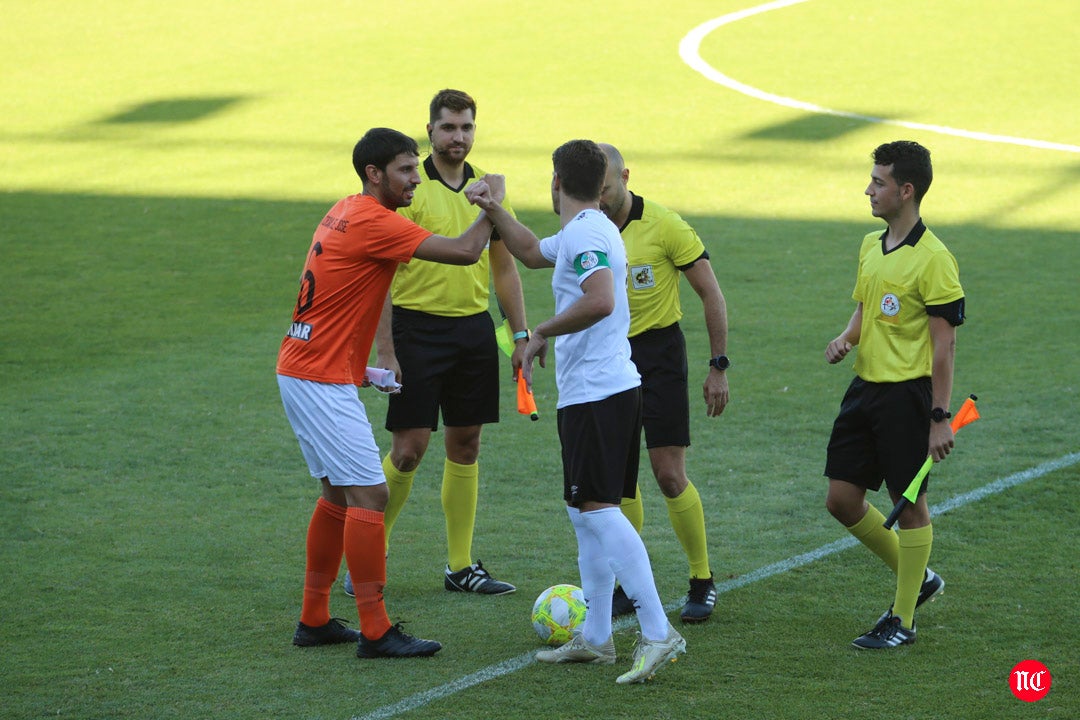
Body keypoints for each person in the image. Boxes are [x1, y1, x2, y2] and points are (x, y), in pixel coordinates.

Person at [277, 127, 506, 659]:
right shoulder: (377, 221)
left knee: (337, 493)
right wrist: (490, 204)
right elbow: (469, 251)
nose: (413, 178)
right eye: (405, 169)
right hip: (318, 380)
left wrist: (364, 367)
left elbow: (339, 300)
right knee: (371, 495)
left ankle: (314, 618)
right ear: (373, 174)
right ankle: (376, 630)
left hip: (305, 367)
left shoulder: (346, 210)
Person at [468, 139, 686, 684]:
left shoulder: (587, 232)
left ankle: (658, 631)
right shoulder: (585, 229)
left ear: (557, 183)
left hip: (599, 391)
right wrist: (494, 209)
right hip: (595, 391)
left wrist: (540, 330)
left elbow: (601, 298)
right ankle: (595, 638)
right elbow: (531, 253)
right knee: (584, 510)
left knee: (597, 509)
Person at [344, 89, 525, 598]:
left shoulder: (487, 189)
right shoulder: (410, 188)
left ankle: (460, 565)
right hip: (415, 330)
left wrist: (521, 333)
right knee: (408, 449)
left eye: (467, 127)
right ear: (430, 131)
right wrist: (386, 350)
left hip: (471, 331)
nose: (458, 137)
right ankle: (367, 553)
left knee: (466, 445)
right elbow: (379, 276)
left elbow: (505, 266)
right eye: (448, 127)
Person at [823, 140, 964, 649]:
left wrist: (940, 416)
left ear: (906, 190)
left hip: (909, 396)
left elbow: (943, 344)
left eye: (879, 182)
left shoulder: (934, 260)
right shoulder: (869, 244)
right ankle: (920, 576)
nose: (869, 189)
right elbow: (867, 309)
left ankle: (902, 620)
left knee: (910, 507)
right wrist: (847, 337)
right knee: (841, 499)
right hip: (865, 390)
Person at [597, 143, 729, 623]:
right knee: (619, 479)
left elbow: (710, 292)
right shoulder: (587, 225)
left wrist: (718, 365)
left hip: (659, 356)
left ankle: (702, 578)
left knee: (669, 475)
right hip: (610, 357)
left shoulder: (666, 226)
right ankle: (630, 586)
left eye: (606, 187)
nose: (600, 197)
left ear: (625, 176)